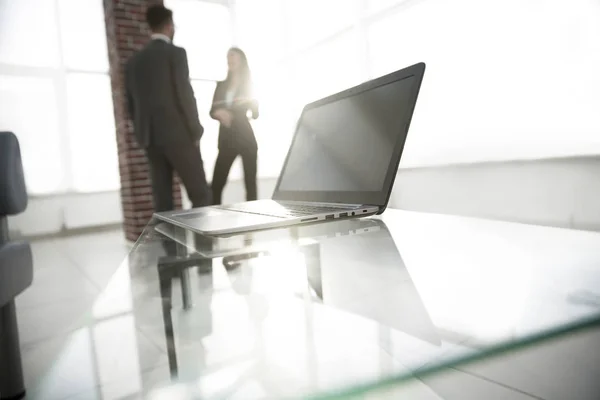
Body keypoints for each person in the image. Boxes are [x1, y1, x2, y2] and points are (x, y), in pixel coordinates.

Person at [125, 5, 211, 212]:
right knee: (201, 195)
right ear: (169, 26)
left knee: (163, 203)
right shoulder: (176, 53)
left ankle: (171, 246)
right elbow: (184, 93)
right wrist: (195, 129)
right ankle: (202, 245)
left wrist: (142, 135)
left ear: (150, 27)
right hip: (178, 134)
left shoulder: (133, 62)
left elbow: (130, 105)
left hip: (150, 139)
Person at [210, 48, 259, 205]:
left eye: (233, 56)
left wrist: (253, 105)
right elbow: (212, 110)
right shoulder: (221, 85)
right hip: (226, 140)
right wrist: (219, 113)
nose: (229, 59)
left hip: (246, 138)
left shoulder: (248, 84)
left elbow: (255, 114)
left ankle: (254, 224)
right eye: (228, 56)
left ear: (241, 60)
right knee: (216, 186)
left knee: (250, 186)